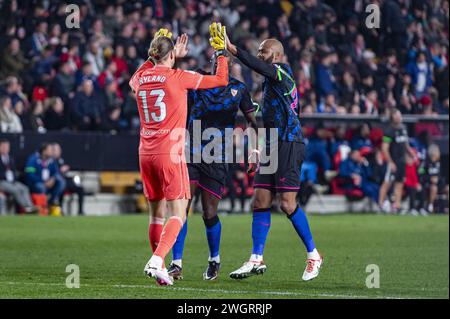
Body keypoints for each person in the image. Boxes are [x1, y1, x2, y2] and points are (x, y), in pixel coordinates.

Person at [221, 23, 323, 281]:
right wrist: (257, 148)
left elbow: (261, 67)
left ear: (276, 56)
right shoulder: (270, 84)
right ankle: (256, 258)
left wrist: (234, 50)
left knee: (287, 204)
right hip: (272, 145)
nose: (259, 54)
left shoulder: (283, 72)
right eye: (258, 51)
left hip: (289, 143)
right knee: (260, 201)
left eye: (262, 51)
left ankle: (313, 255)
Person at [129, 28, 228, 286]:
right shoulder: (179, 76)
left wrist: (159, 54)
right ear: (172, 54)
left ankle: (160, 268)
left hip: (145, 153)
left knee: (156, 216)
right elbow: (220, 80)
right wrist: (221, 51)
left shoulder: (140, 78)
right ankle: (156, 260)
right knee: (179, 213)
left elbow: (139, 74)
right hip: (169, 153)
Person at [167, 52, 258, 281]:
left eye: (223, 61)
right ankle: (176, 264)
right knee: (181, 209)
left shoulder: (239, 89)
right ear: (211, 64)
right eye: (216, 60)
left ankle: (214, 260)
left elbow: (253, 121)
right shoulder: (196, 80)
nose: (219, 64)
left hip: (218, 156)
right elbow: (172, 78)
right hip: (190, 152)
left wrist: (254, 149)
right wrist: (174, 57)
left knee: (209, 212)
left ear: (230, 65)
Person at [378, 109, 417, 214]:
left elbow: (406, 144)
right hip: (393, 161)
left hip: (402, 161)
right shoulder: (388, 131)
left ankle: (397, 206)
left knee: (399, 183)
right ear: (393, 117)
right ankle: (381, 205)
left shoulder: (404, 129)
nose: (399, 117)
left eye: (400, 115)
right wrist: (390, 162)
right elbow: (384, 148)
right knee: (387, 183)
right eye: (397, 115)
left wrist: (412, 154)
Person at [24, 143, 65, 216]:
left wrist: (52, 179)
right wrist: (42, 182)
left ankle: (51, 202)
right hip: (36, 184)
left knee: (61, 182)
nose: (52, 152)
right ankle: (43, 207)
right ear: (44, 151)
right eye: (50, 150)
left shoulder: (52, 160)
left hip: (49, 184)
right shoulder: (33, 159)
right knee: (41, 187)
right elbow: (29, 174)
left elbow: (56, 172)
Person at [0, 139, 36, 213]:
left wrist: (14, 177)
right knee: (16, 190)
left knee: (24, 188)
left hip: (12, 181)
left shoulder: (10, 158)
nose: (5, 148)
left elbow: (14, 171)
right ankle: (26, 208)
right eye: (3, 146)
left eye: (7, 147)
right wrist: (5, 175)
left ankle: (30, 206)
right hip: (2, 181)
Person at [52, 143, 85, 216]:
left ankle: (80, 211)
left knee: (80, 188)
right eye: (57, 150)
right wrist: (60, 170)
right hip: (57, 181)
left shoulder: (61, 160)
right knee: (61, 186)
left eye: (59, 150)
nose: (59, 151)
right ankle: (60, 210)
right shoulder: (51, 161)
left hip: (65, 179)